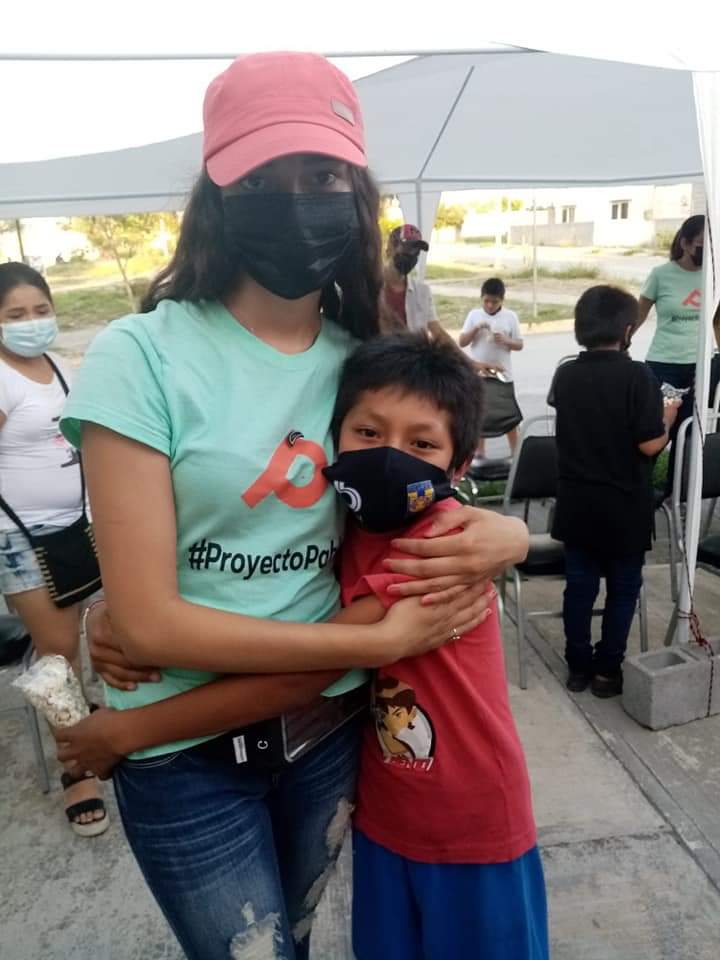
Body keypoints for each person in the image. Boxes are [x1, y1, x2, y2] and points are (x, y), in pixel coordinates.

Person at [56, 52, 528, 960]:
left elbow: (424, 493)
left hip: (324, 732)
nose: (297, 200)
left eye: (321, 176)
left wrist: (503, 532)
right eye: (263, 178)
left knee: (302, 940)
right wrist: (371, 644)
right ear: (216, 195)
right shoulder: (140, 355)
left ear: (357, 192)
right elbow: (149, 625)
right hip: (185, 762)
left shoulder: (365, 357)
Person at [59, 332, 545, 960]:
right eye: (367, 433)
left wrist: (127, 730)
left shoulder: (439, 544)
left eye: (421, 444)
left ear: (459, 462)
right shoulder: (351, 524)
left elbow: (314, 666)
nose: (389, 456)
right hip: (387, 814)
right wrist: (114, 609)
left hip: (471, 817)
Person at [0, 262, 107, 837]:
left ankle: (83, 718)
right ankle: (77, 770)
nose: (32, 322)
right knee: (58, 652)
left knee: (85, 638)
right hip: (19, 538)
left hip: (76, 527)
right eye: (15, 314)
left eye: (40, 309)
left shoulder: (60, 366)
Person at [550, 286, 680, 697]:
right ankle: (607, 671)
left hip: (577, 505)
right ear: (627, 330)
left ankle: (577, 667)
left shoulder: (566, 373)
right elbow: (649, 444)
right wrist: (668, 418)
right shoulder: (638, 376)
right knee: (623, 590)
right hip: (625, 507)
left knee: (579, 588)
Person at [637, 214, 704, 476]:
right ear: (685, 243)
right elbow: (639, 313)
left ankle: (676, 492)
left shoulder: (713, 276)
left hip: (699, 366)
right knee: (655, 430)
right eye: (700, 245)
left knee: (688, 435)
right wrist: (621, 343)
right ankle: (640, 487)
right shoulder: (661, 275)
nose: (706, 251)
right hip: (664, 365)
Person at [459, 276, 524, 456]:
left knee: (508, 416)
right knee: (480, 416)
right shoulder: (474, 315)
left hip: (503, 375)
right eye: (486, 301)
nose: (489, 305)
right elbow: (462, 342)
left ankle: (516, 454)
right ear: (481, 298)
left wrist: (506, 340)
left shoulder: (510, 317)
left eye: (494, 302)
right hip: (479, 375)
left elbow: (519, 344)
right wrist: (476, 329)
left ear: (502, 300)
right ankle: (480, 454)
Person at [381, 224, 454, 345]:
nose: (412, 254)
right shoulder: (369, 288)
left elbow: (438, 332)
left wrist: (464, 357)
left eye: (417, 251)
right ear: (390, 248)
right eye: (408, 248)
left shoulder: (422, 292)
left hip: (412, 356)